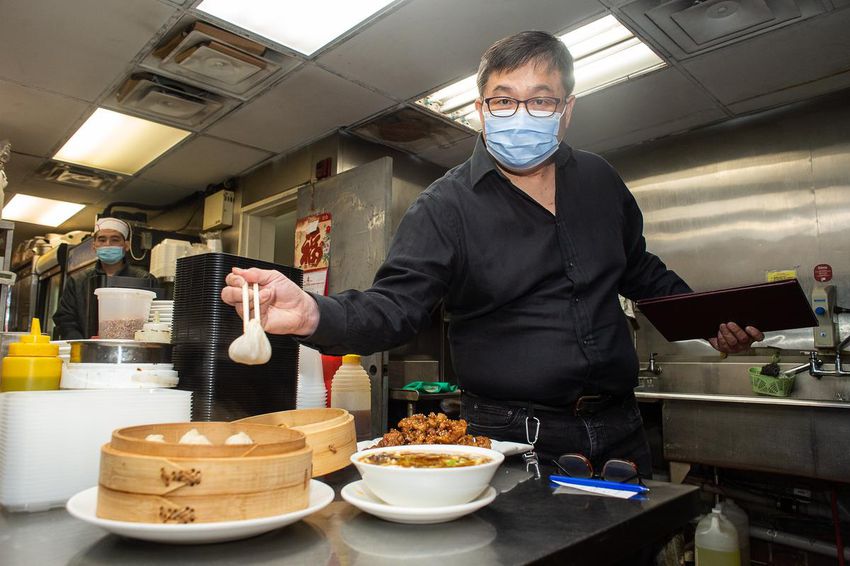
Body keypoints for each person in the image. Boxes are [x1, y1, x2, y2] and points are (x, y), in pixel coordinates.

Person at [222, 31, 763, 477]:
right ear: (481, 110)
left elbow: (639, 268)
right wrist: (314, 313)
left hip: (624, 429)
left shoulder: (600, 180)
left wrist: (705, 317)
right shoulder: (446, 206)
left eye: (541, 99)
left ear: (567, 109)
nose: (520, 113)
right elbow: (396, 306)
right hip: (515, 437)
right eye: (504, 100)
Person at [54, 217, 157, 339]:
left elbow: (156, 319)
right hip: (87, 352)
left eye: (115, 240)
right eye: (102, 240)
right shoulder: (78, 281)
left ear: (126, 245)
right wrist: (83, 343)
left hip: (133, 350)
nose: (108, 245)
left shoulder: (144, 279)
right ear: (94, 246)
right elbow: (65, 319)